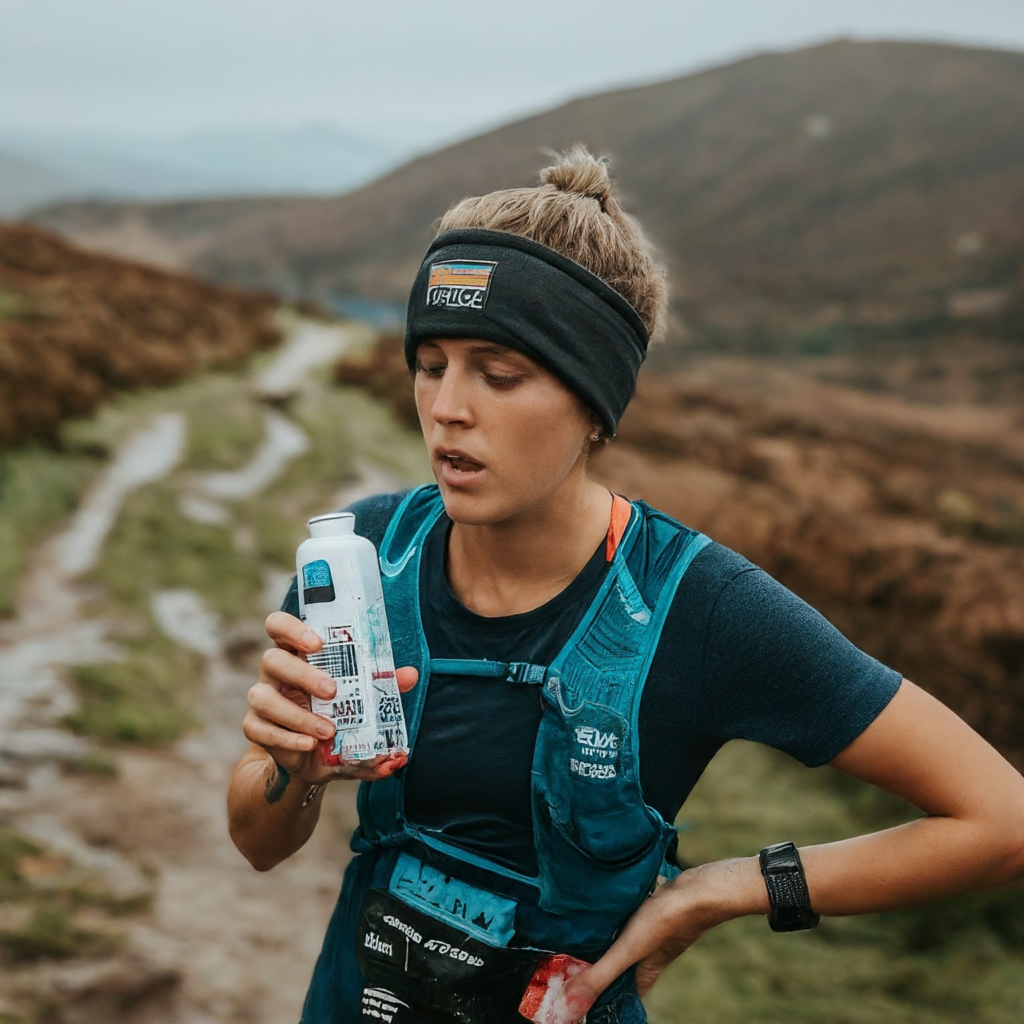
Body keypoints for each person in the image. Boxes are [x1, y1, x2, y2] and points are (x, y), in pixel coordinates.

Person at [227, 146, 1024, 1024]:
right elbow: (260, 843)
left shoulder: (699, 605)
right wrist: (293, 773)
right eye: (431, 363)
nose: (450, 406)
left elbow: (999, 820)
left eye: (500, 374)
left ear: (596, 402)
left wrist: (719, 890)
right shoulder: (368, 555)